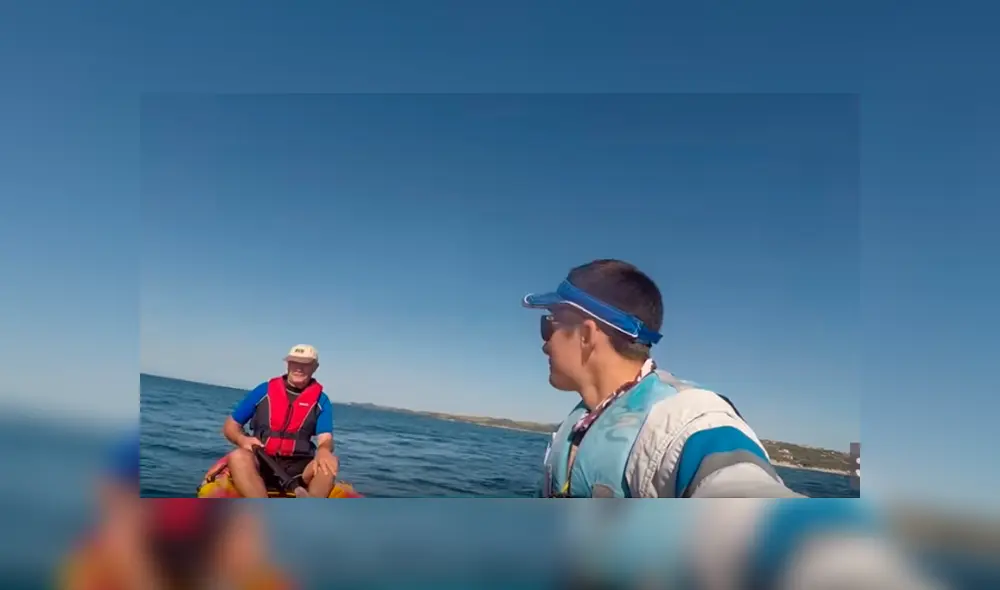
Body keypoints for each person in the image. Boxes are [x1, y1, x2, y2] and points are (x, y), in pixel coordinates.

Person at [522, 258, 802, 498]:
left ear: (586, 335)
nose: (545, 344)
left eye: (549, 324)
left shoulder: (687, 420)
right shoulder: (582, 420)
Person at [59, 432, 296, 590]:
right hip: (147, 548)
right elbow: (119, 523)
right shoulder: (129, 456)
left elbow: (244, 534)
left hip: (200, 545)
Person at [222, 344, 339, 498]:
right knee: (238, 456)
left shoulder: (321, 400)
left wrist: (324, 450)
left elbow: (325, 439)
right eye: (294, 362)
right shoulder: (263, 391)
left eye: (305, 364)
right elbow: (230, 425)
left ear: (315, 367)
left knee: (329, 463)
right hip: (262, 461)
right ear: (288, 364)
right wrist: (241, 439)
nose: (299, 368)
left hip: (300, 469)